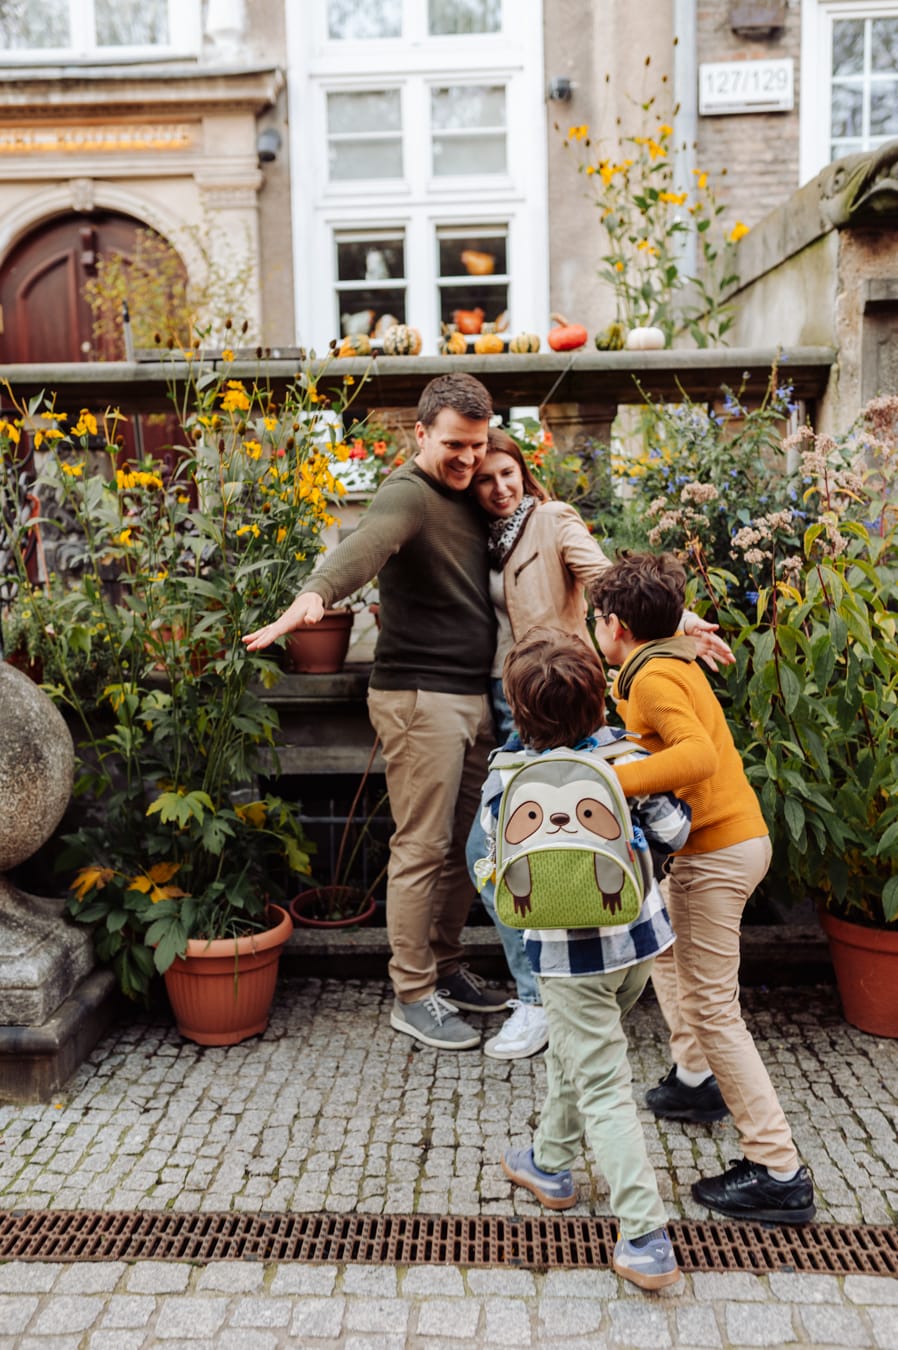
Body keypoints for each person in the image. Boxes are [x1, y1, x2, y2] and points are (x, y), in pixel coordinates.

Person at [243, 372, 509, 1050]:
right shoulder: (407, 493)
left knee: (463, 846)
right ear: (420, 434)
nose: (468, 459)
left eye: (477, 446)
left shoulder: (470, 495)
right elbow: (366, 546)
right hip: (422, 700)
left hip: (473, 695)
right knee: (422, 846)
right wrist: (316, 594)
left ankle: (445, 967)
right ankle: (412, 991)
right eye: (454, 444)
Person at [465, 429, 731, 1060]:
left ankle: (546, 995)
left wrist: (678, 620)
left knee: (511, 840)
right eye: (485, 478)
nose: (499, 488)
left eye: (508, 474)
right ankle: (574, 982)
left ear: (525, 474)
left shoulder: (552, 519)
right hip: (511, 703)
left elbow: (605, 575)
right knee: (529, 842)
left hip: (561, 697)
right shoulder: (482, 540)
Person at [590, 552, 816, 1224]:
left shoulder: (655, 676)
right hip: (723, 844)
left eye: (599, 621)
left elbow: (696, 757)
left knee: (716, 1009)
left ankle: (778, 1169)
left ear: (618, 626)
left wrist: (604, 783)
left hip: (716, 854)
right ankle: (693, 1081)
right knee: (664, 949)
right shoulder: (659, 661)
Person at [483, 627, 690, 1292]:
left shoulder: (506, 776)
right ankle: (549, 1162)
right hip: (635, 944)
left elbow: (495, 859)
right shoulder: (626, 757)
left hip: (563, 957)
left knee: (601, 1081)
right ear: (599, 698)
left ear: (520, 712)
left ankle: (646, 1235)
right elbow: (673, 830)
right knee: (584, 1050)